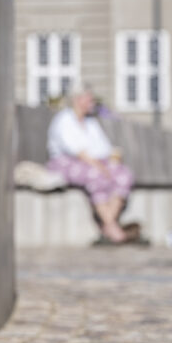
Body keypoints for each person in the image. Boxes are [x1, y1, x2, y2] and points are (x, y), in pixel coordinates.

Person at [47, 85, 135, 243]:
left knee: (123, 175)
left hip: (96, 162)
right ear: (77, 100)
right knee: (98, 177)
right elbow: (78, 152)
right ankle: (111, 226)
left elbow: (104, 148)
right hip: (68, 163)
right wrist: (102, 168)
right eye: (89, 98)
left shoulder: (90, 122)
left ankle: (108, 224)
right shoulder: (64, 119)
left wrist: (112, 163)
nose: (92, 102)